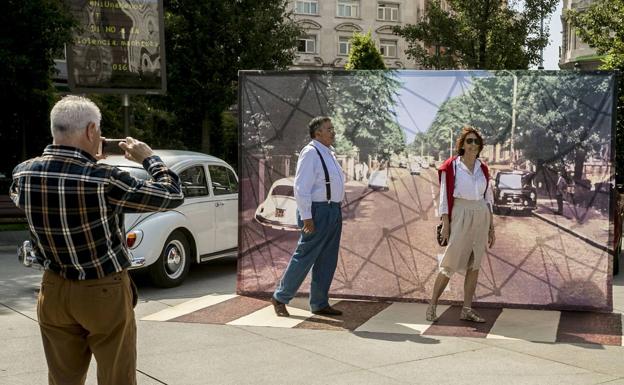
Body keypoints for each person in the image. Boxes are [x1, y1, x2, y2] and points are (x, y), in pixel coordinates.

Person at [10, 95, 184, 385]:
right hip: (103, 289)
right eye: (98, 132)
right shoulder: (104, 178)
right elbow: (171, 194)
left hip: (53, 288)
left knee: (62, 379)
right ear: (91, 131)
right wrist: (148, 158)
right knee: (117, 377)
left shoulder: (23, 173)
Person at [271, 116, 345, 317]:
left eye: (332, 128)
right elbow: (301, 188)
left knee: (327, 259)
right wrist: (307, 217)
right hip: (317, 211)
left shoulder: (328, 153)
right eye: (329, 129)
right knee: (304, 257)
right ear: (317, 132)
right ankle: (280, 296)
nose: (333, 132)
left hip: (332, 210)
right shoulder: (311, 152)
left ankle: (320, 303)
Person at [427, 125, 495, 323]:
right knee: (449, 263)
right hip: (461, 213)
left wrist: (491, 226)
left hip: (480, 213)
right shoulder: (452, 166)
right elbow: (443, 198)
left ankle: (467, 309)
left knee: (474, 265)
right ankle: (432, 305)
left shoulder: (483, 168)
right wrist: (446, 223)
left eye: (476, 141)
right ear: (462, 145)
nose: (473, 145)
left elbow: (488, 198)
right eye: (469, 141)